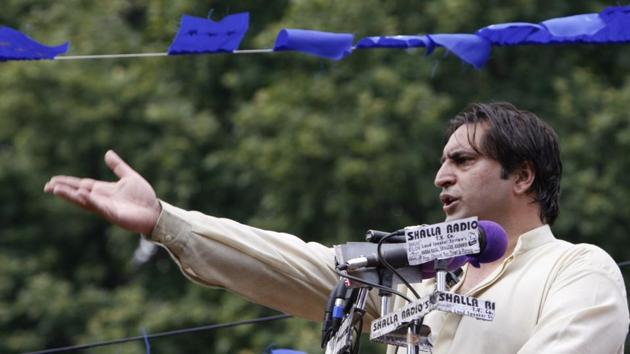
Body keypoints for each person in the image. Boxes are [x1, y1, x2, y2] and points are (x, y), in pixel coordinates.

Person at [44, 102, 629, 353]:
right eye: (442, 162)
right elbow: (298, 265)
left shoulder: (579, 270)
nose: (439, 178)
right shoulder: (423, 279)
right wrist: (167, 221)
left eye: (462, 161)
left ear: (522, 176)